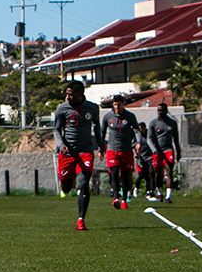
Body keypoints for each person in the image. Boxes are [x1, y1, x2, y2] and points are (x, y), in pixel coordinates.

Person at [53, 80, 105, 231]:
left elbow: (97, 127)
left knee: (83, 183)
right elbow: (56, 129)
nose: (68, 97)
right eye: (67, 94)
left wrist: (100, 144)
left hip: (85, 152)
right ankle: (68, 181)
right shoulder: (62, 109)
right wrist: (61, 145)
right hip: (68, 153)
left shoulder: (92, 108)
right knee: (66, 187)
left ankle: (81, 219)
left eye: (71, 94)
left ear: (80, 94)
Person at [100, 95, 142, 210]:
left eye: (119, 104)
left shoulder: (130, 116)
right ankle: (116, 198)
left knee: (125, 175)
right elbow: (102, 133)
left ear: (123, 104)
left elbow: (136, 130)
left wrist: (138, 142)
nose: (117, 107)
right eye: (115, 105)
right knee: (114, 173)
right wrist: (101, 148)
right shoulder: (107, 116)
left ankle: (124, 199)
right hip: (112, 150)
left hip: (126, 150)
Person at [148, 103, 182, 203]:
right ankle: (160, 193)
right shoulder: (153, 123)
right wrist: (154, 149)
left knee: (169, 171)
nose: (159, 112)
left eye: (161, 110)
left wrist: (178, 152)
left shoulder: (172, 123)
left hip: (168, 150)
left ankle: (168, 196)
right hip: (157, 151)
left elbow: (176, 139)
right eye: (158, 110)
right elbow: (149, 138)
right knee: (157, 173)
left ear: (166, 111)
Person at [134, 122, 157, 201]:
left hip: (149, 157)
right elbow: (134, 145)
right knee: (142, 175)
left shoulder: (149, 135)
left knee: (151, 172)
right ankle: (136, 188)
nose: (140, 130)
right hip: (141, 158)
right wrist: (136, 153)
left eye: (141, 128)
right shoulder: (138, 136)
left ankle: (150, 190)